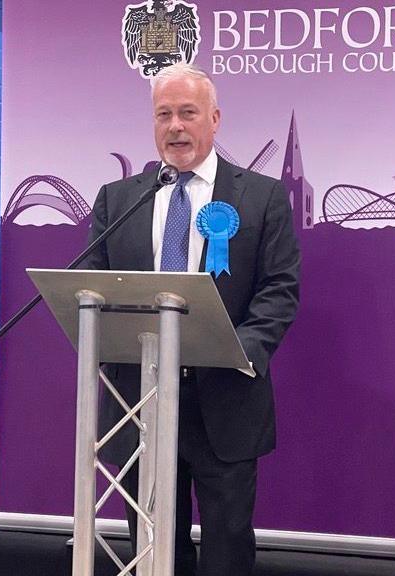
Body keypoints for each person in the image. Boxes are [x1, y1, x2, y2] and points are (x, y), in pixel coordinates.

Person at [82, 63, 300, 576]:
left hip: (223, 398)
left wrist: (237, 349)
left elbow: (279, 289)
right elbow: (91, 282)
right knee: (153, 546)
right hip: (138, 400)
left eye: (187, 113)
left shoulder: (261, 197)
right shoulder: (119, 199)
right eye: (164, 115)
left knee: (226, 546)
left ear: (215, 119)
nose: (175, 126)